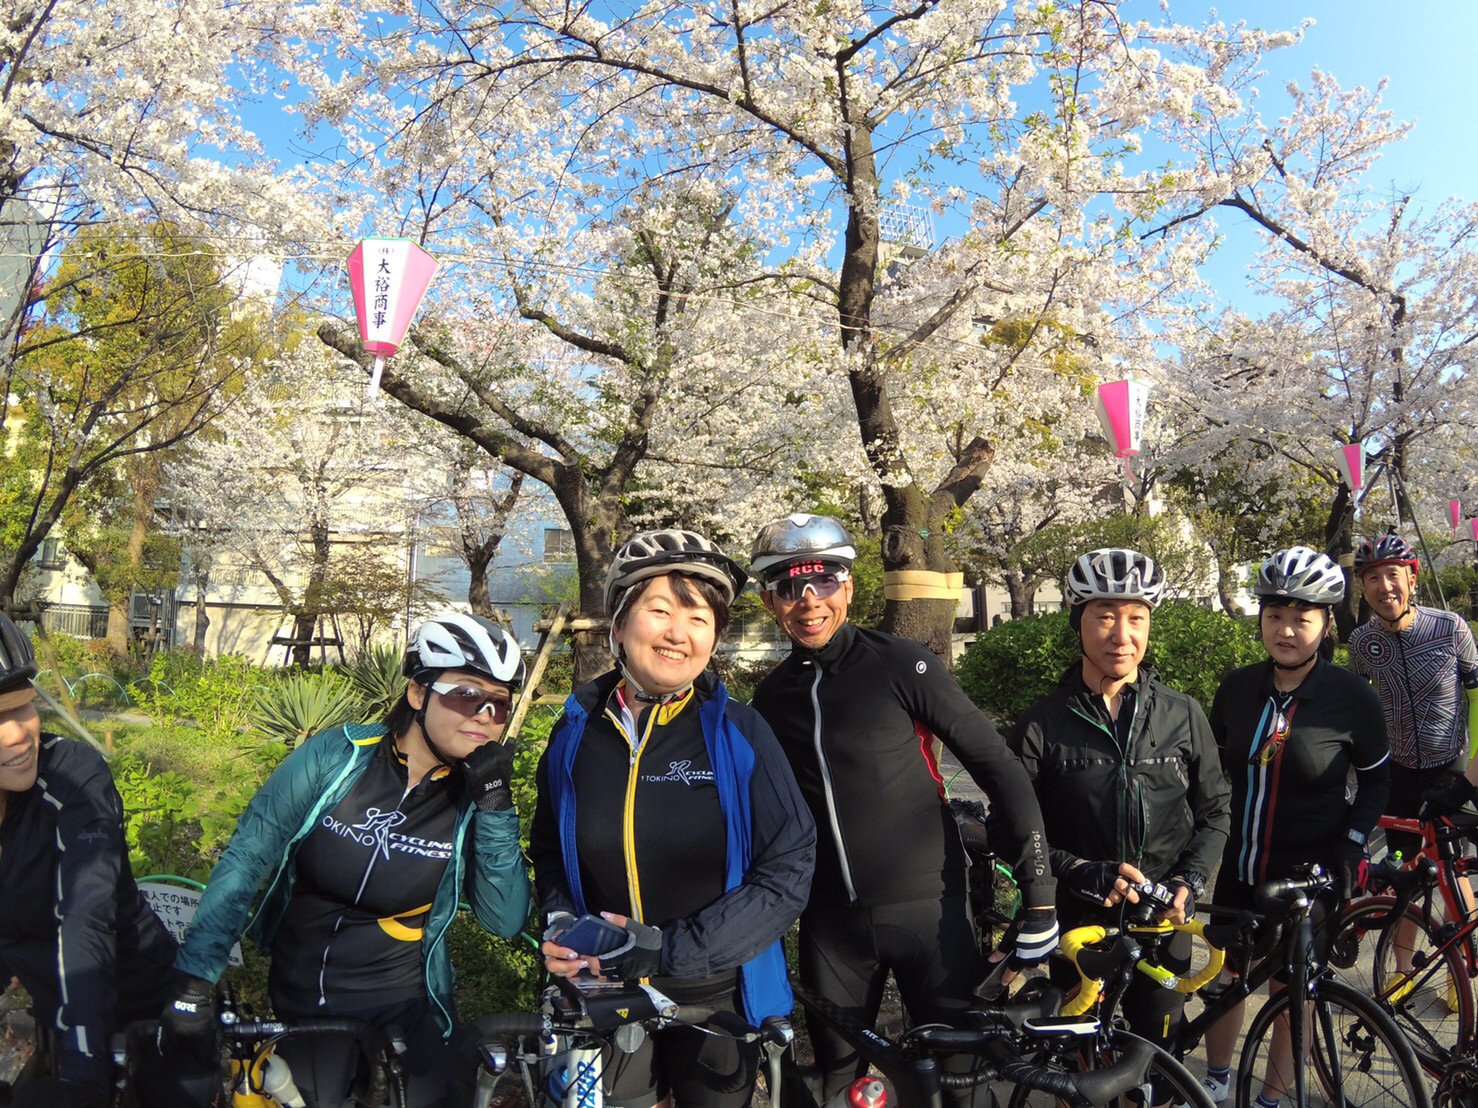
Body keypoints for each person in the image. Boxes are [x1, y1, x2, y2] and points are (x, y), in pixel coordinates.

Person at [747, 513, 1057, 1106]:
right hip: (831, 925)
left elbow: (999, 767)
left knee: (958, 1085)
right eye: (789, 585)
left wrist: (1038, 890)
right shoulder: (771, 695)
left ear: (851, 586)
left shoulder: (900, 662)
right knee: (842, 1088)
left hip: (930, 914)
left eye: (825, 581)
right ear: (769, 600)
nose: (809, 600)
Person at [165, 612, 533, 1108]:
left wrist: (495, 806)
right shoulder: (338, 758)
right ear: (418, 693)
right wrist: (196, 974)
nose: (483, 716)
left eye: (498, 705)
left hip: (405, 998)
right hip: (307, 993)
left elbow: (504, 919)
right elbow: (248, 857)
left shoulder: (471, 799)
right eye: (466, 695)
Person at [530, 529, 815, 1108]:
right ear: (618, 622)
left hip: (714, 994)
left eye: (700, 619)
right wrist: (560, 918)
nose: (678, 633)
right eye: (659, 610)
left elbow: (788, 866)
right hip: (600, 988)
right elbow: (552, 850)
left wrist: (666, 950)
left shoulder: (738, 732)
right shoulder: (574, 733)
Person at [1010, 548, 1229, 1102]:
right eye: (1105, 615)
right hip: (1079, 924)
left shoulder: (1183, 714)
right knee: (1077, 1073)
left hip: (1161, 922)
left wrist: (1191, 880)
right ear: (1078, 621)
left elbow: (1215, 811)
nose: (1121, 634)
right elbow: (1011, 828)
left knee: (1156, 1064)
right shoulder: (1041, 723)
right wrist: (1076, 870)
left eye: (1136, 618)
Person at [1201, 547, 1390, 1106]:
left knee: (1292, 991)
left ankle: (1275, 1094)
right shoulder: (1237, 688)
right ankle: (1214, 1077)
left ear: (1326, 624)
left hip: (1308, 875)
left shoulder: (1351, 697)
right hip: (1239, 865)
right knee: (1222, 978)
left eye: (1302, 618)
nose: (1285, 630)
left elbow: (1376, 782)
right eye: (1274, 616)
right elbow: (1210, 772)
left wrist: (1352, 842)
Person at [0, 613, 179, 1108]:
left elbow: (83, 917)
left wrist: (81, 1079)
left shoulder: (73, 780)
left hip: (140, 999)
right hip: (55, 1008)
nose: (17, 734)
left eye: (22, 707)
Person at [1347, 530, 1478, 857]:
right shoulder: (1361, 643)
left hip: (1451, 767)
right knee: (1398, 869)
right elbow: (1358, 712)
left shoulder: (1450, 628)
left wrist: (1469, 776)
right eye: (1373, 578)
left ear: (1412, 579)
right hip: (1397, 773)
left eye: (1393, 574)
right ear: (1364, 590)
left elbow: (1477, 699)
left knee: (1450, 865)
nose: (1384, 586)